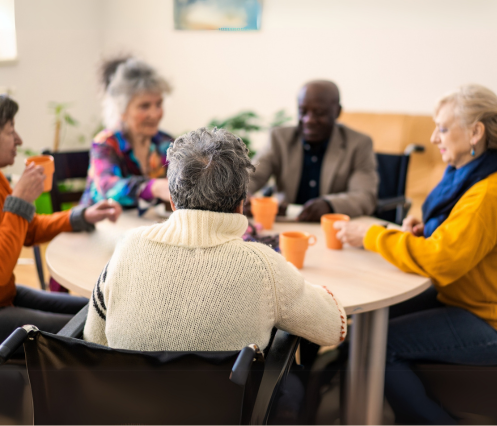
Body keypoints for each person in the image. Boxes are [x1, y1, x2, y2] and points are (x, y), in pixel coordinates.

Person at [84, 127, 346, 352]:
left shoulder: (128, 247)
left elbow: (94, 338)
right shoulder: (264, 267)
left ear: (172, 201)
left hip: (125, 407)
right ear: (242, 204)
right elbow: (333, 328)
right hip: (227, 411)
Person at [334, 84, 497, 425]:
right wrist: (427, 230)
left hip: (486, 317)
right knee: (366, 323)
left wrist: (373, 235)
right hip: (462, 296)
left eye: (442, 128)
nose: (435, 138)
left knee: (378, 344)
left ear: (476, 132)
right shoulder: (470, 174)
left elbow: (442, 259)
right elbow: (459, 238)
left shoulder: (486, 192)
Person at [0, 95, 122, 345]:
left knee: (100, 310)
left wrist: (80, 216)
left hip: (7, 295)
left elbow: (29, 231)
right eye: (11, 131)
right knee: (95, 330)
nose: (19, 140)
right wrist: (20, 202)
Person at [246, 80, 378, 221]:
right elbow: (251, 177)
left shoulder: (358, 144)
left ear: (337, 111)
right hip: (285, 225)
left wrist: (329, 205)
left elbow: (365, 196)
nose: (309, 120)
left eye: (319, 113)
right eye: (302, 112)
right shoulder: (279, 139)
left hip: (332, 227)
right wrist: (243, 196)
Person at [80, 57, 173, 208]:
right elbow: (107, 187)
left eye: (159, 104)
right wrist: (153, 187)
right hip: (100, 226)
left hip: (144, 228)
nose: (155, 114)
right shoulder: (106, 143)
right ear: (121, 110)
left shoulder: (165, 143)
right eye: (144, 106)